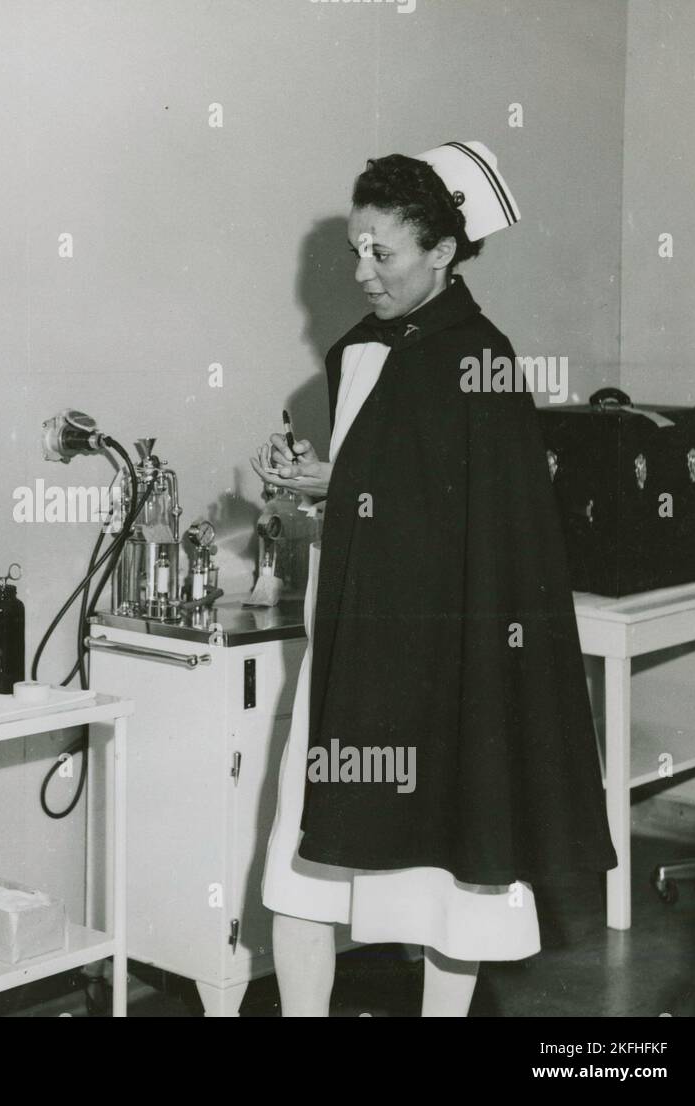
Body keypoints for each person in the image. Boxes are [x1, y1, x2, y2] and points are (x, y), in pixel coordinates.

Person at [254, 142, 616, 1017]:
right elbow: (383, 494)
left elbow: (485, 533)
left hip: (446, 672)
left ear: (444, 251)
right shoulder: (355, 357)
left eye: (384, 251)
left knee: (451, 887)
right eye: (355, 249)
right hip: (354, 656)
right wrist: (323, 480)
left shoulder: (483, 361)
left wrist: (343, 482)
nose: (363, 271)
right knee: (302, 876)